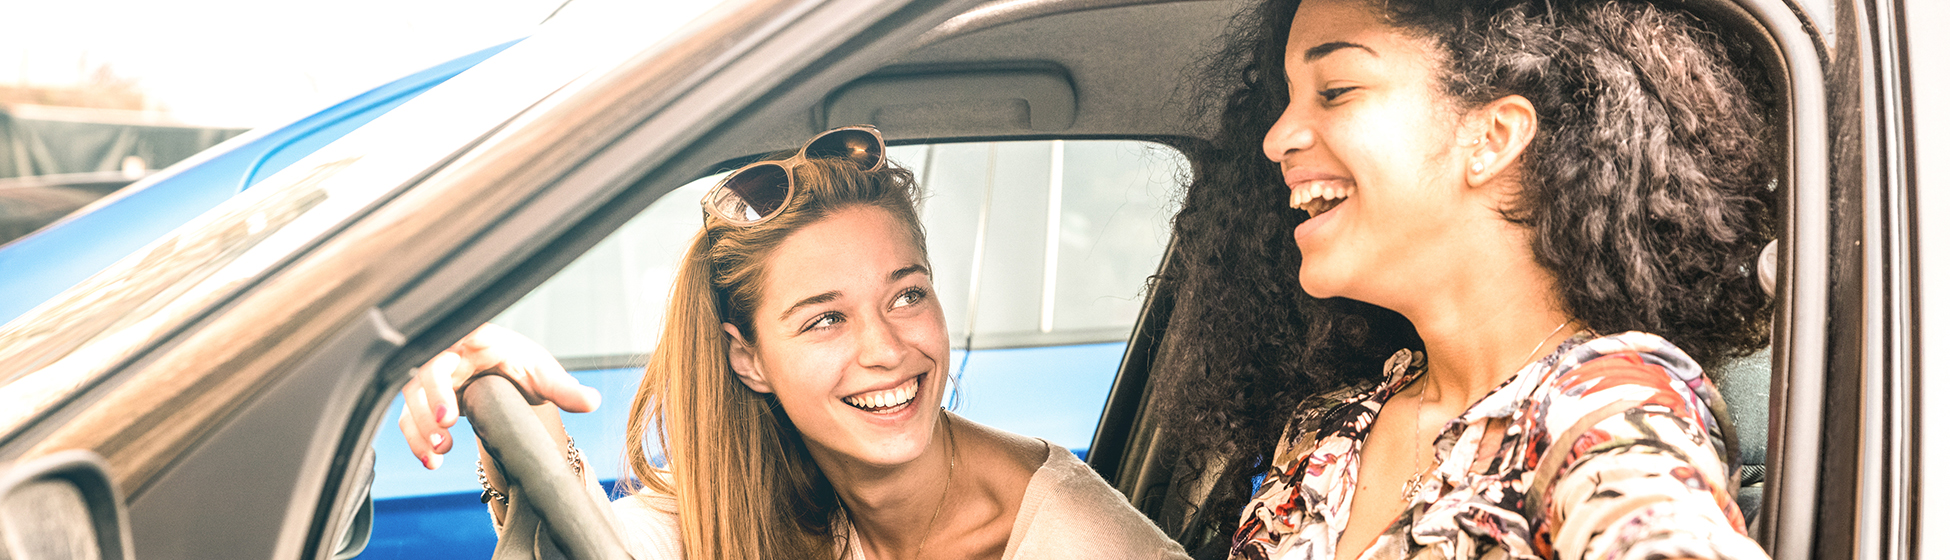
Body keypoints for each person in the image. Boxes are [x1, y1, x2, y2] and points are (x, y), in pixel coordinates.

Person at [1153, 0, 1776, 559]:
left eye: (1336, 89)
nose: (1275, 138)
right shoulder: (1326, 431)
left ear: (1493, 136)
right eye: (1288, 98)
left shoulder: (1605, 416)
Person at [396, 126, 1192, 560]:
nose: (886, 350)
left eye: (906, 295)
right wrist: (515, 407)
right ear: (748, 358)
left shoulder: (1077, 541)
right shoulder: (756, 493)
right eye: (825, 318)